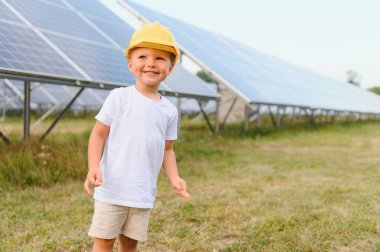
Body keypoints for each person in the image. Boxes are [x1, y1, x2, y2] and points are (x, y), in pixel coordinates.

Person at [84, 21, 189, 252]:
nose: (151, 63)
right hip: (111, 189)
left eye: (160, 58)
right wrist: (93, 166)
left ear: (170, 68)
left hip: (142, 193)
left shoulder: (169, 111)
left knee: (129, 245)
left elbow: (167, 149)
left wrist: (174, 178)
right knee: (103, 243)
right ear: (130, 63)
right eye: (143, 57)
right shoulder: (119, 97)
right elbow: (98, 135)